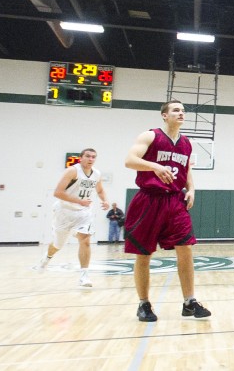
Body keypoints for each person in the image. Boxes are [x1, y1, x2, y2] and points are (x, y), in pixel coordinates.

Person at [124, 100, 210, 322]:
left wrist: (191, 189)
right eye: (176, 110)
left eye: (183, 110)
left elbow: (187, 169)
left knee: (186, 249)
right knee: (144, 254)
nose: (181, 113)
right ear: (164, 115)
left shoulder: (187, 143)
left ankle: (189, 302)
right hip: (149, 199)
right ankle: (143, 304)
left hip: (175, 200)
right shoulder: (150, 136)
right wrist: (155, 166)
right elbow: (130, 160)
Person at [35, 148, 109, 288]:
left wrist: (104, 200)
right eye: (87, 156)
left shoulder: (97, 174)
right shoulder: (72, 171)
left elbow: (99, 190)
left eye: (93, 157)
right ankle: (47, 258)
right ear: (81, 158)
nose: (90, 159)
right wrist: (78, 201)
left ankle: (84, 275)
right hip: (64, 211)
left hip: (83, 213)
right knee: (58, 245)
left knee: (85, 240)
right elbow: (57, 193)